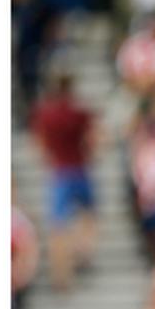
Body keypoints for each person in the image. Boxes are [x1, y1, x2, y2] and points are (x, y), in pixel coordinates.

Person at [30, 73, 97, 292]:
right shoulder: (79, 113)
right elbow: (94, 140)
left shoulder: (46, 114)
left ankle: (61, 275)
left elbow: (39, 143)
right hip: (79, 169)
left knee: (58, 227)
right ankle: (82, 250)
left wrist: (49, 158)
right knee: (89, 215)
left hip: (60, 173)